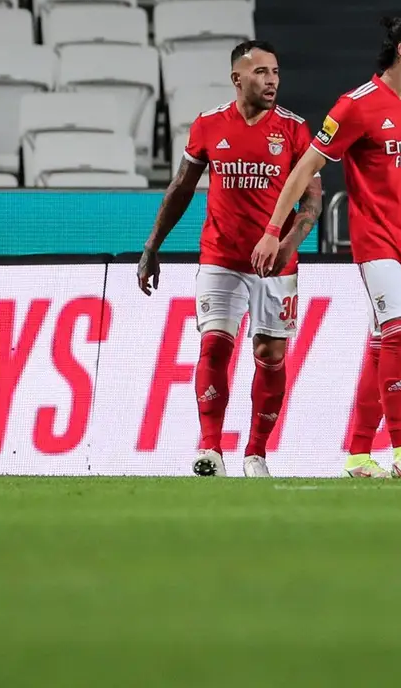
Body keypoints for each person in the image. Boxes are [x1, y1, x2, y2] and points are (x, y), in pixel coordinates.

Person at [252, 17, 401, 479]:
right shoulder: (355, 106)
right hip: (375, 242)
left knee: (384, 343)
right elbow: (304, 168)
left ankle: (359, 453)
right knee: (396, 330)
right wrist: (274, 228)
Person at [137, 40, 322, 477]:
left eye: (275, 72)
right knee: (214, 347)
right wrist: (152, 246)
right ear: (237, 78)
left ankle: (256, 454)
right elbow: (181, 189)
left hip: (276, 264)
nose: (271, 80)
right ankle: (210, 449)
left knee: (270, 355)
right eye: (261, 72)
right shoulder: (207, 125)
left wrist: (286, 246)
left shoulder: (295, 130)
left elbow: (313, 204)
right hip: (220, 258)